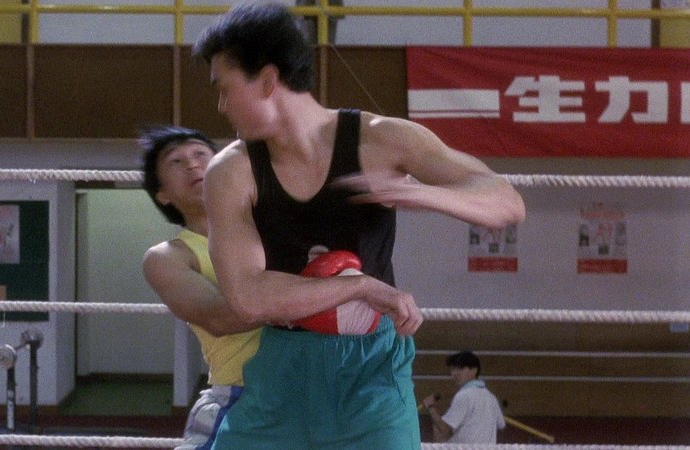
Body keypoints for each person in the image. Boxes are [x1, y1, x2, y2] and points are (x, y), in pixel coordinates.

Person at [193, 3, 526, 449]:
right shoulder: (231, 171)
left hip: (373, 371)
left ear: (268, 81)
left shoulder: (382, 139)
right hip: (282, 368)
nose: (220, 106)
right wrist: (361, 287)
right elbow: (248, 298)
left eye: (225, 89)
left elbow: (506, 202)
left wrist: (422, 194)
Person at [140, 125, 263, 450]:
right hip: (241, 391)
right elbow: (222, 318)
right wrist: (317, 291)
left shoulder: (273, 227)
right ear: (163, 194)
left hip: (317, 387)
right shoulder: (168, 257)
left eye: (200, 154)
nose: (193, 164)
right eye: (176, 161)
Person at [422, 350, 506, 443]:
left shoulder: (464, 395)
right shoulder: (491, 397)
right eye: (453, 369)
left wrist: (431, 408)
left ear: (474, 370)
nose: (454, 373)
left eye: (460, 368)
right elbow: (501, 424)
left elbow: (445, 431)